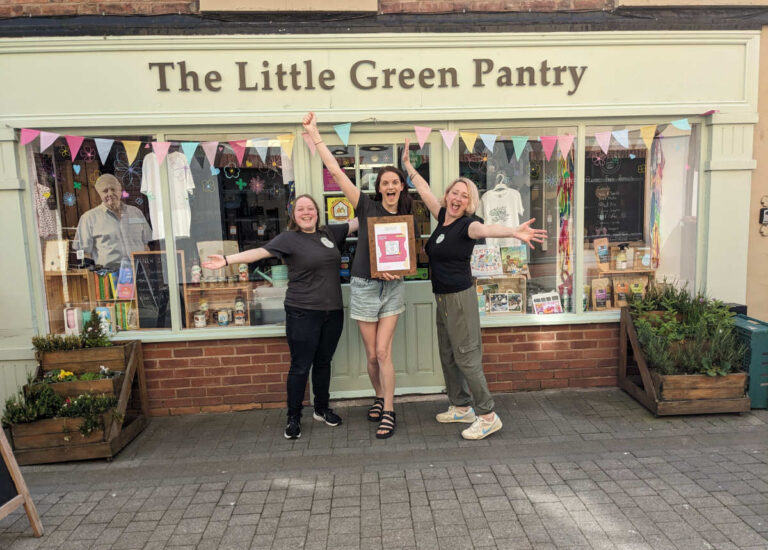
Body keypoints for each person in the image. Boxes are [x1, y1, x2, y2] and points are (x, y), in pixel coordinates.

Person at [402, 138, 547, 440]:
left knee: (467, 356)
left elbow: (487, 230)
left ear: (470, 202)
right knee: (447, 354)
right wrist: (409, 168)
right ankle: (461, 405)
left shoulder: (468, 224)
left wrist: (513, 231)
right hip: (442, 298)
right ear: (448, 195)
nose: (457, 198)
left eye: (463, 196)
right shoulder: (443, 217)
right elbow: (426, 193)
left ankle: (487, 414)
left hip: (459, 298)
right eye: (454, 193)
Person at [202, 195, 359, 440]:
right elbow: (258, 253)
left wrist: (387, 205)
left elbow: (360, 220)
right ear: (294, 215)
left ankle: (321, 408)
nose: (306, 213)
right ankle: (293, 417)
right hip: (302, 312)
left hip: (332, 312)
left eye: (310, 208)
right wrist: (225, 260)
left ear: (317, 212)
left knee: (323, 362)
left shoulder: (329, 233)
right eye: (301, 209)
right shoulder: (288, 238)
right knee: (300, 366)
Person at [303, 112, 412, 440]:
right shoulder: (366, 207)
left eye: (395, 182)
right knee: (370, 355)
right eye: (385, 183)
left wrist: (397, 270)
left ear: (401, 187)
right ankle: (379, 395)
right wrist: (315, 135)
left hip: (393, 290)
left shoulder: (407, 217)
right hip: (364, 287)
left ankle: (389, 410)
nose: (390, 186)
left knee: (383, 352)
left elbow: (404, 257)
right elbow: (336, 172)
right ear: (378, 188)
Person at [73, 174, 151, 270]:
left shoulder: (136, 212)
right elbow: (84, 253)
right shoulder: (88, 218)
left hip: (138, 272)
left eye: (113, 189)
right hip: (108, 275)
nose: (110, 193)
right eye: (105, 191)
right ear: (99, 194)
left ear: (120, 190)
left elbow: (146, 245)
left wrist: (148, 271)